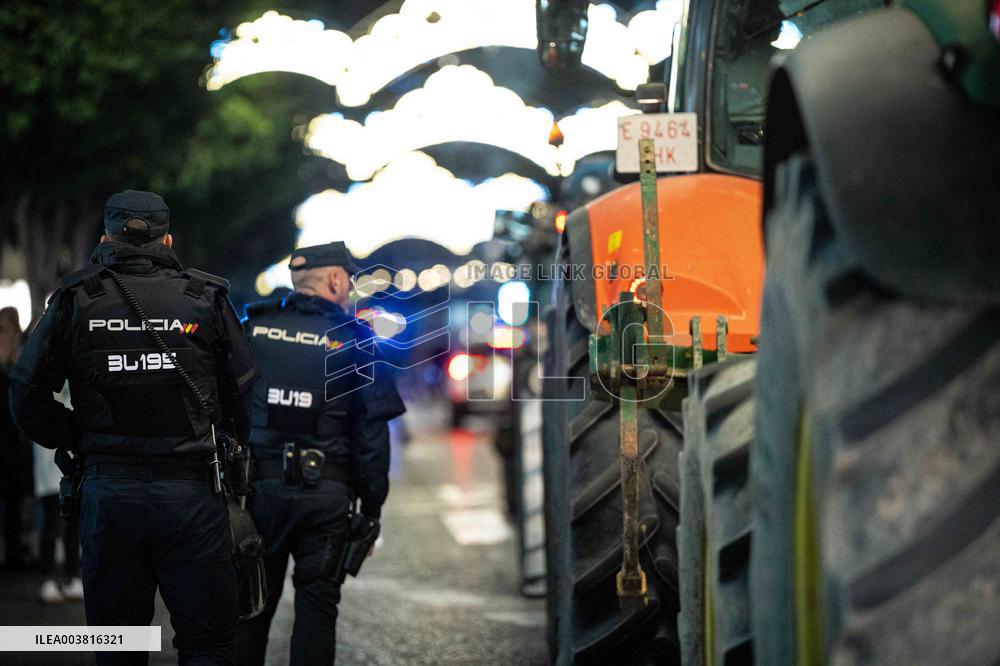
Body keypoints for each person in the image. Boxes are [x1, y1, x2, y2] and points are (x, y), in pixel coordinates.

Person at [8, 190, 260, 665]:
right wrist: (228, 440)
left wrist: (78, 436)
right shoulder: (204, 298)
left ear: (106, 236)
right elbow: (246, 394)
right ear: (168, 238)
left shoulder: (76, 297)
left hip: (108, 495)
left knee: (118, 648)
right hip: (192, 496)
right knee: (207, 644)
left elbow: (24, 395)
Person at [235, 242, 405, 666]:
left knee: (250, 610)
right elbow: (371, 438)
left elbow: (220, 409)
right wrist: (371, 509)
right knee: (317, 611)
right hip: (326, 498)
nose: (349, 286)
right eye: (348, 278)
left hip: (259, 495)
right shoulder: (357, 340)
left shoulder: (251, 328)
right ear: (334, 279)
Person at [34, 382, 83, 604]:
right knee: (52, 521)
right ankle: (48, 580)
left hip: (70, 461)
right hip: (49, 458)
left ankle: (72, 577)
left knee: (73, 522)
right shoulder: (43, 375)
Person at [0, 306, 34, 572]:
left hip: (13, 447)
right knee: (12, 503)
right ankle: (13, 552)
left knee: (14, 503)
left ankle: (14, 549)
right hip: (8, 448)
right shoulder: (7, 374)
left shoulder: (10, 371)